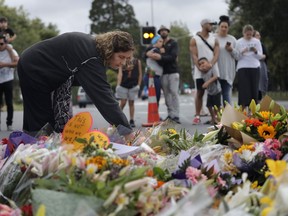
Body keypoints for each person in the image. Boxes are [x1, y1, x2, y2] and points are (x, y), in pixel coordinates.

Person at [17, 31, 135, 139]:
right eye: (121, 57)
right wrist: (127, 131)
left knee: (38, 123)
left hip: (34, 63)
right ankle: (33, 156)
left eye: (127, 58)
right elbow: (104, 98)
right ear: (110, 50)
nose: (123, 63)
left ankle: (28, 149)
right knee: (42, 126)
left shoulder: (93, 51)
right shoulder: (91, 57)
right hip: (35, 68)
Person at [146, 25, 180, 124]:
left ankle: (176, 115)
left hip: (173, 72)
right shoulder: (158, 44)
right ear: (159, 33)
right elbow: (147, 52)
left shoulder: (173, 43)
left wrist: (161, 57)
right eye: (161, 31)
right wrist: (148, 54)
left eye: (165, 30)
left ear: (168, 32)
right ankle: (170, 115)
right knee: (166, 95)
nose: (163, 32)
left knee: (174, 92)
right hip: (163, 73)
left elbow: (173, 57)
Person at [190, 18, 220, 125]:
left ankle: (215, 117)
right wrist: (199, 67)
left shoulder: (214, 38)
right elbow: (194, 55)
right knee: (200, 93)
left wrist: (210, 64)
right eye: (210, 24)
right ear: (203, 25)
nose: (211, 26)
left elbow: (216, 53)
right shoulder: (195, 39)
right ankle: (197, 115)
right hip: (200, 71)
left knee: (214, 93)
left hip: (213, 70)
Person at [235, 24, 262, 109]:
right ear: (244, 33)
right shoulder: (239, 42)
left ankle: (252, 110)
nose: (249, 36)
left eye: (250, 34)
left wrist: (255, 51)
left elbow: (260, 56)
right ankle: (243, 109)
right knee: (244, 90)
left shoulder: (256, 41)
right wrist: (242, 51)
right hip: (242, 67)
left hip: (254, 66)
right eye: (247, 34)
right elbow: (236, 56)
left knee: (254, 89)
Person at [215, 15, 238, 106]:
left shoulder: (232, 39)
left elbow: (238, 56)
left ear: (228, 28)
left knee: (226, 95)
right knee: (215, 96)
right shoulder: (213, 38)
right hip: (215, 72)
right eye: (222, 27)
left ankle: (228, 117)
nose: (224, 29)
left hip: (228, 72)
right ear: (218, 27)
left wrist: (231, 49)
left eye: (226, 27)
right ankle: (216, 118)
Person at [115, 57, 142, 128]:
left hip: (133, 85)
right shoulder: (123, 61)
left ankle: (131, 120)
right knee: (123, 102)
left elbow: (140, 74)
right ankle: (117, 118)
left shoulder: (137, 61)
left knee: (131, 102)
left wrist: (139, 85)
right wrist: (118, 85)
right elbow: (120, 73)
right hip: (123, 85)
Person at [0, 35, 19, 131]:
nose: (0, 45)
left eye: (1, 44)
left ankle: (9, 123)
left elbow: (17, 63)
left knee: (9, 102)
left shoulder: (11, 51)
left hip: (8, 79)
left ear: (5, 43)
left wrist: (4, 64)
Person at [198, 57, 221, 124]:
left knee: (217, 106)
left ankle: (218, 118)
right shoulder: (202, 72)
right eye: (200, 64)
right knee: (209, 105)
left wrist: (207, 83)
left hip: (217, 90)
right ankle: (213, 118)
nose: (202, 65)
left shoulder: (212, 68)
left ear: (208, 63)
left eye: (203, 63)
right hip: (210, 92)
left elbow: (215, 76)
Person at [145, 35, 163, 106]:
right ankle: (154, 115)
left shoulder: (153, 49)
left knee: (156, 96)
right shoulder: (154, 49)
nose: (162, 43)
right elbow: (161, 61)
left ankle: (155, 115)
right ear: (155, 42)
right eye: (160, 41)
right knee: (155, 96)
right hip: (152, 76)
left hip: (154, 76)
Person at [253, 30, 269, 100]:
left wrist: (260, 56)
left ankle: (261, 100)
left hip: (262, 66)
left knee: (262, 84)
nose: (259, 36)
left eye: (259, 35)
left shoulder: (262, 45)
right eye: (257, 35)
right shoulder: (251, 45)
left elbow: (266, 56)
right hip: (253, 67)